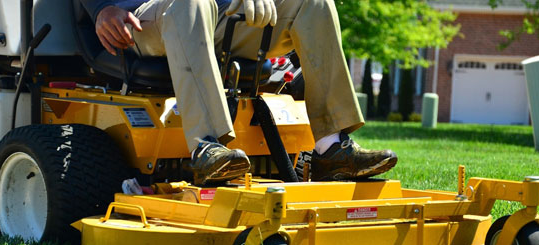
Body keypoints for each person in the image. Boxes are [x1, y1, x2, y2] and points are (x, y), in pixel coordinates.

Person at [82, 0, 398, 184]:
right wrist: (100, 8)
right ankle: (207, 147)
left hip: (215, 13)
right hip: (140, 17)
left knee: (312, 2)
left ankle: (331, 148)